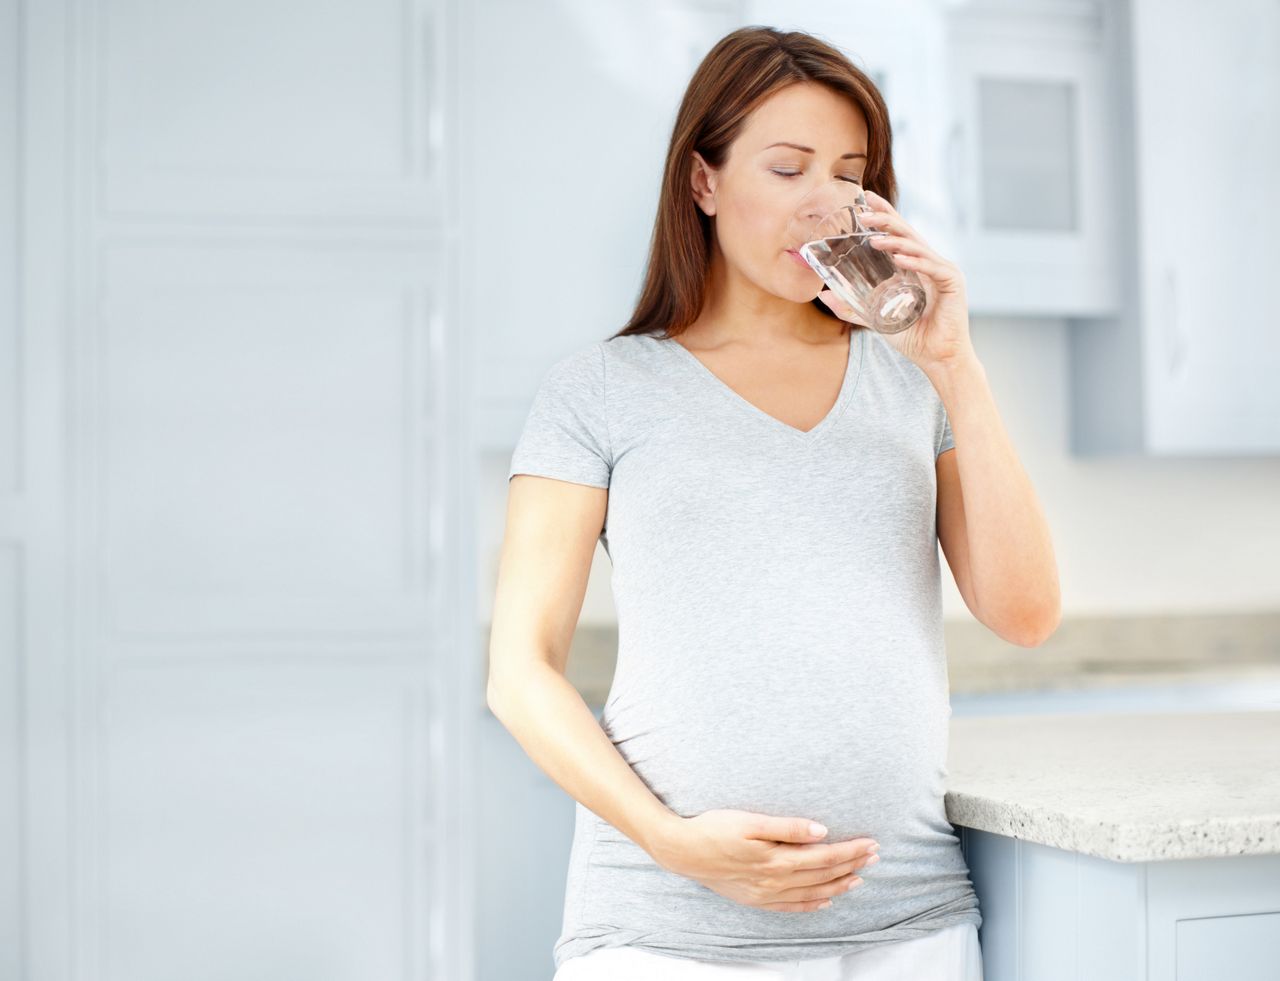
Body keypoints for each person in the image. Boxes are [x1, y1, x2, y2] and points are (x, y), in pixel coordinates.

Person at [488, 24, 1060, 981]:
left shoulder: (916, 381)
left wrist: (956, 365)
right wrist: (672, 840)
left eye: (849, 172)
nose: (823, 203)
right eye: (786, 168)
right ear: (704, 183)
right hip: (669, 930)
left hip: (908, 922)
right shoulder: (601, 391)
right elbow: (520, 673)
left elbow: (1026, 612)